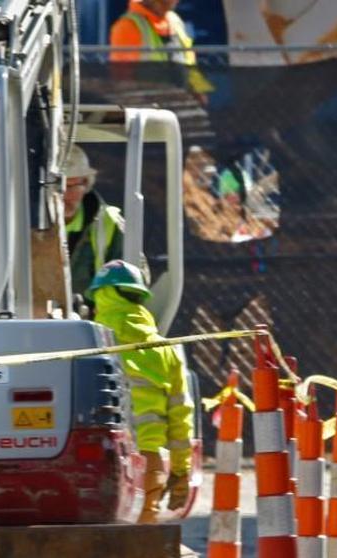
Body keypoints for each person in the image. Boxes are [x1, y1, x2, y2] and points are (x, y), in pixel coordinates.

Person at [87, 260, 194, 523]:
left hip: (100, 458)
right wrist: (181, 470)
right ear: (139, 297)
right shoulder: (164, 349)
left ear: (101, 296)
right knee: (143, 540)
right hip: (149, 462)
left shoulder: (87, 343)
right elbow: (181, 417)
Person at [109, 1, 213, 100]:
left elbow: (189, 60)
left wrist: (199, 90)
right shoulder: (127, 26)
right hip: (150, 110)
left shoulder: (175, 20)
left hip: (181, 105)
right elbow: (122, 78)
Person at [63, 145, 126, 300]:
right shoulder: (22, 225)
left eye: (72, 186)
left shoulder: (110, 223)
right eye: (58, 187)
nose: (64, 195)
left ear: (86, 184)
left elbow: (133, 279)